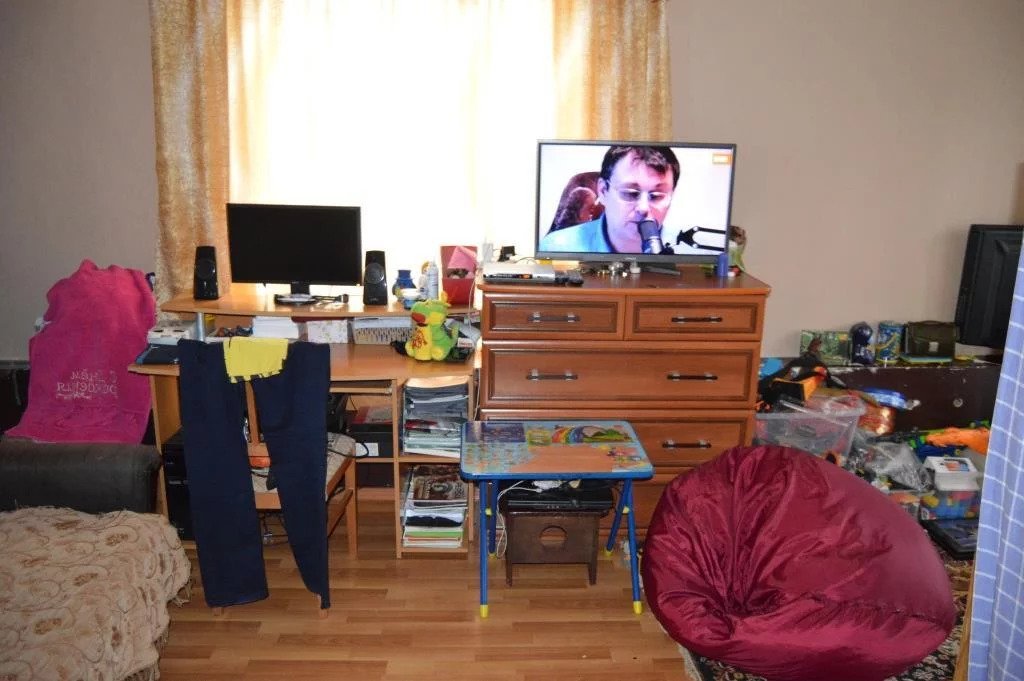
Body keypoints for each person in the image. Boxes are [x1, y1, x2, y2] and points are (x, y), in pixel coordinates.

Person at [538, 145, 680, 253]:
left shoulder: (688, 250)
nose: (643, 208)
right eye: (630, 193)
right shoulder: (557, 247)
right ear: (603, 191)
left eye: (656, 196)